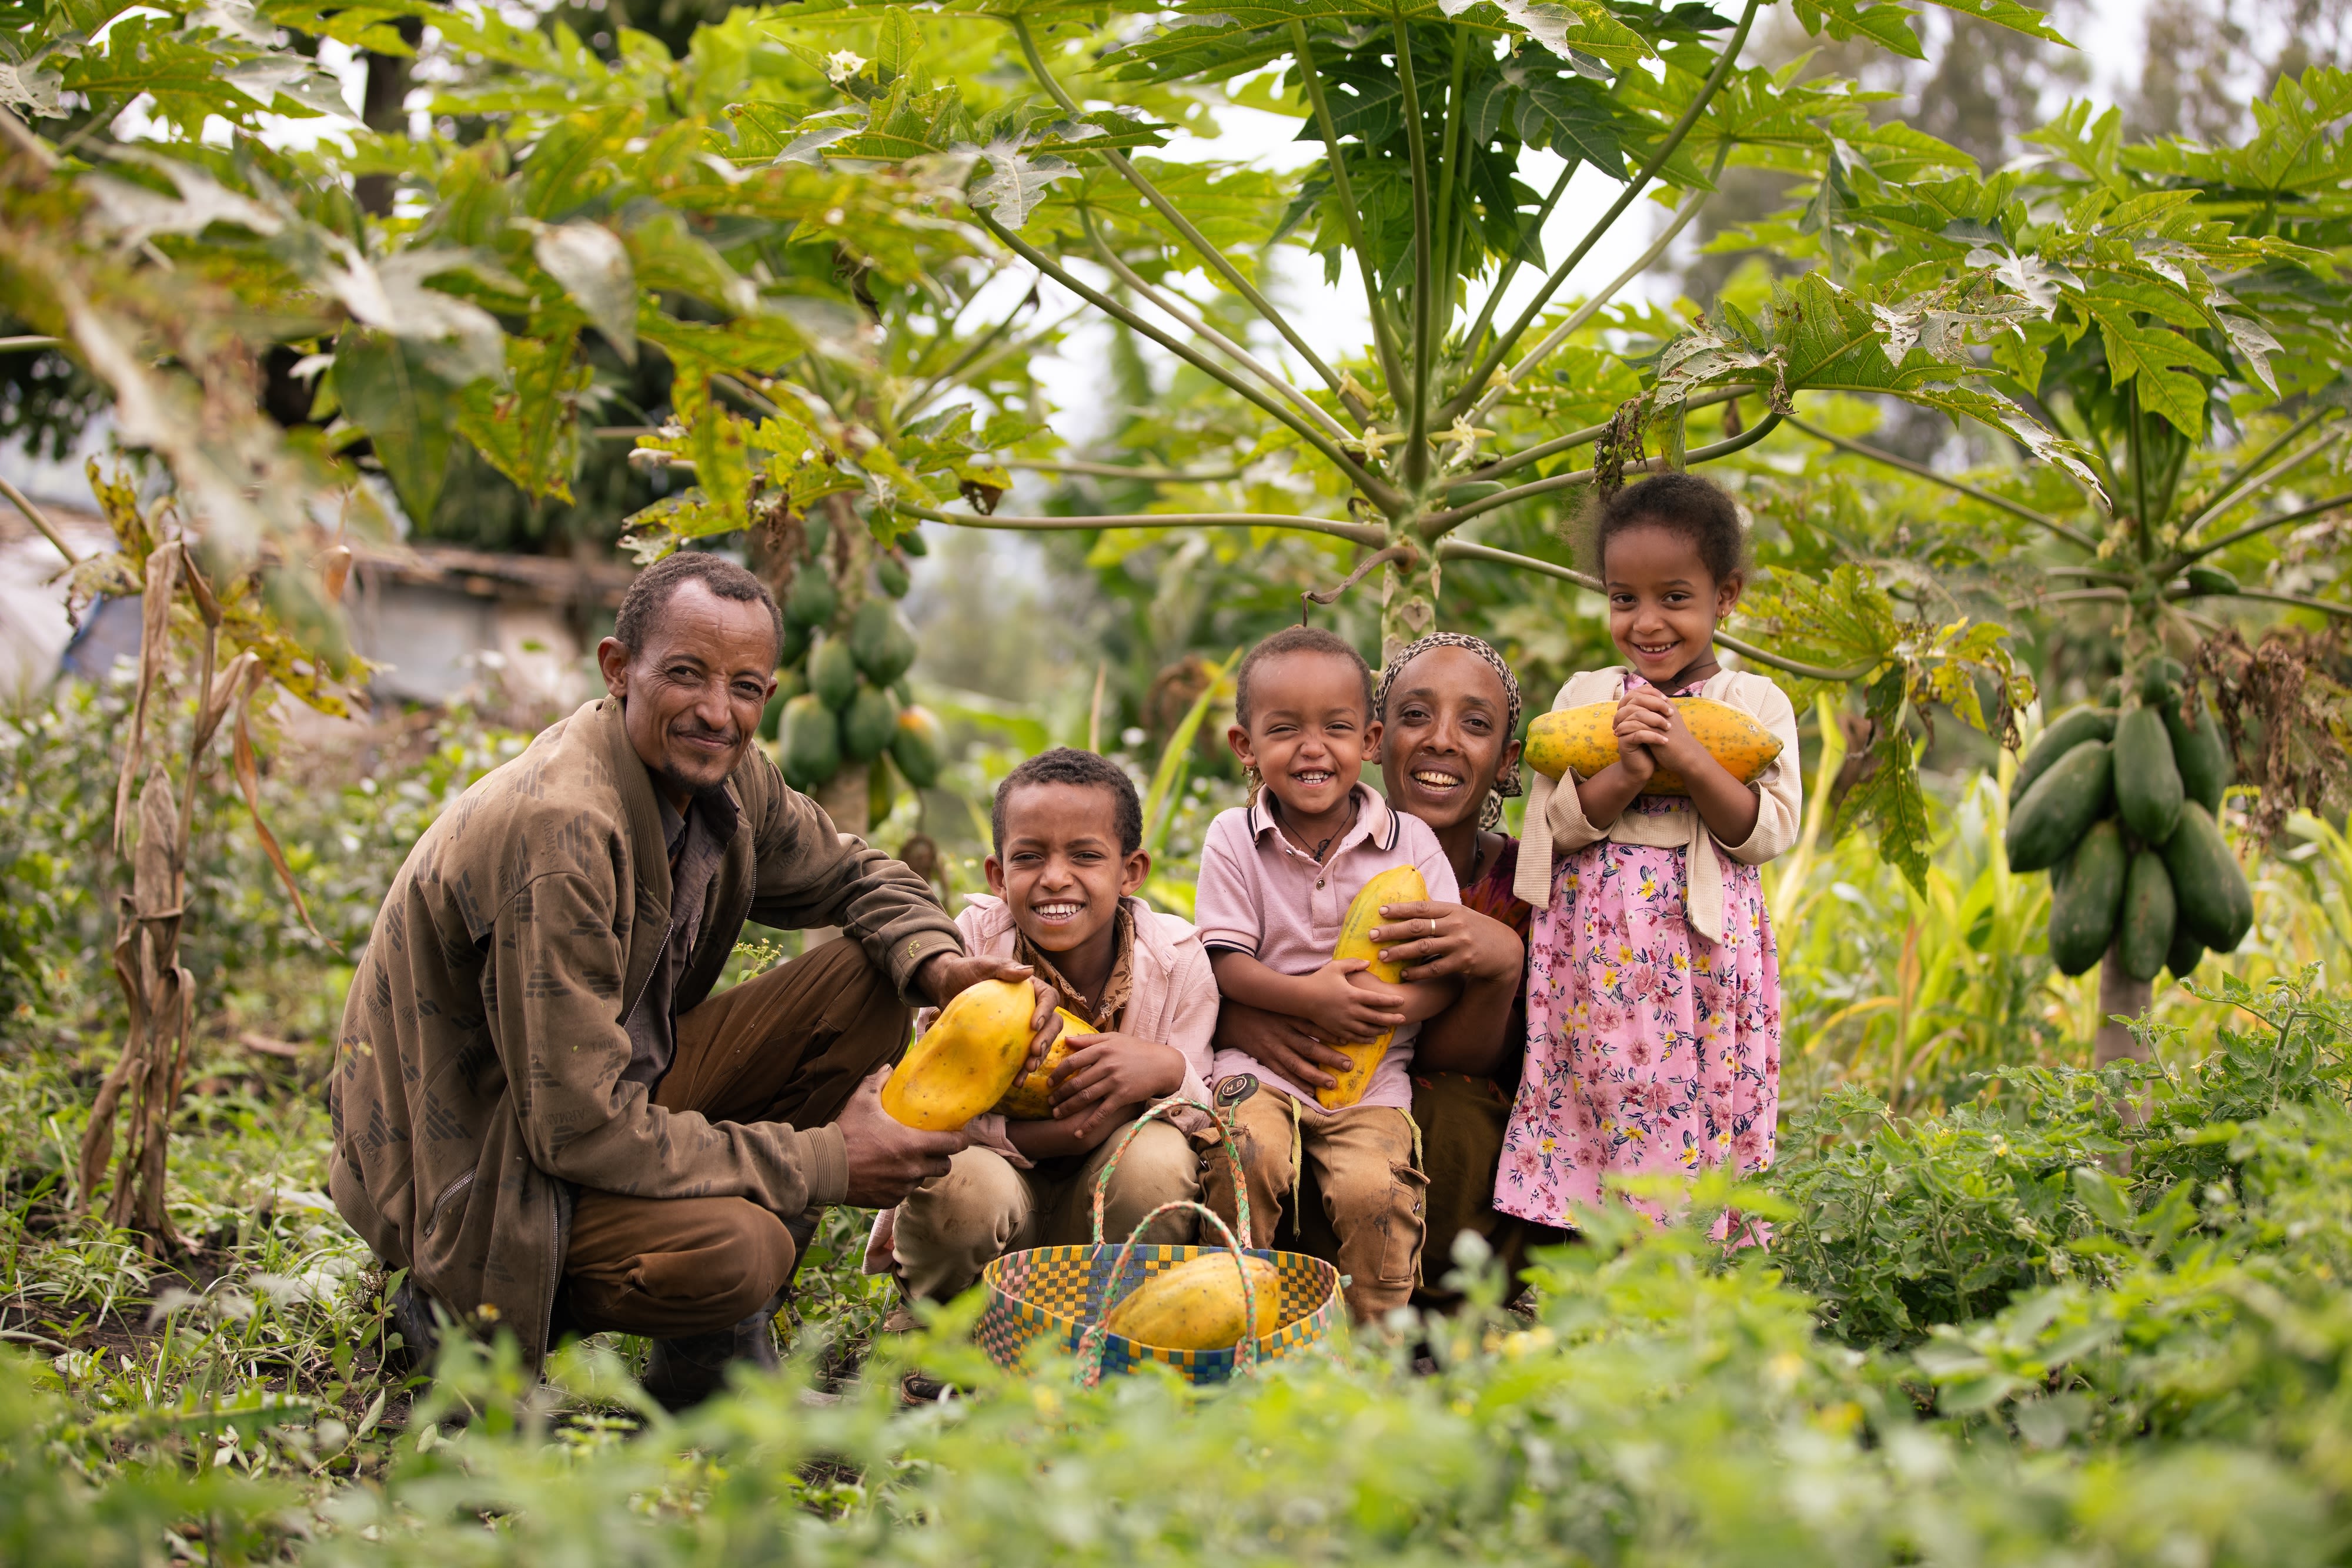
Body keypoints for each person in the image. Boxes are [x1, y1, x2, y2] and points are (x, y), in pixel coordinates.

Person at [328, 552, 1057, 1409]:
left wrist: (942, 965)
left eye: (744, 687)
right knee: (739, 1250)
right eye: (685, 674)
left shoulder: (723, 773)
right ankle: (449, 1317)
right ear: (617, 669)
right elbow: (576, 1131)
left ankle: (711, 1371)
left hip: (592, 1099)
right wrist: (830, 1158)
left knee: (866, 978)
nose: (717, 710)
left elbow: (856, 873)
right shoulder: (563, 831)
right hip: (478, 1172)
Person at [1503, 472, 1800, 1231]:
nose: (1646, 622)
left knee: (1697, 1094)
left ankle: (1694, 1257)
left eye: (1674, 598)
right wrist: (1628, 772)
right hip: (1598, 951)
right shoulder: (1585, 698)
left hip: (1701, 949)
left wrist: (1690, 758)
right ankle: (1604, 1254)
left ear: (1724, 596)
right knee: (1606, 1093)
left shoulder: (1755, 705)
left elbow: (1768, 832)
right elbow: (1550, 829)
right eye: (1623, 598)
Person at [1218, 633, 1549, 1307]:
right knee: (1247, 1134)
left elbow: (1499, 1060)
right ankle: (1250, 1300)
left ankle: (1408, 1314)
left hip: (1437, 1174)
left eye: (1474, 724)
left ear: (1506, 759)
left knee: (1443, 1116)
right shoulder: (1268, 841)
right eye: (1416, 715)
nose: (1441, 740)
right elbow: (1215, 961)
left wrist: (1498, 969)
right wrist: (1249, 1018)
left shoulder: (1534, 886)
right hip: (1292, 1120)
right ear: (1380, 737)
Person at [877, 748, 1216, 1303]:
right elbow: (927, 1105)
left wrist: (1167, 1068)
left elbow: (1208, 1117)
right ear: (997, 875)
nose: (1056, 878)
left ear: (1131, 871)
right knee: (957, 1186)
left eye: (1085, 855)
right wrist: (1035, 1138)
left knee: (1158, 1162)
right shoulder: (969, 948)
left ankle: (1109, 1321)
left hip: (1107, 1219)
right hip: (999, 1209)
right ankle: (942, 1327)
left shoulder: (1178, 959)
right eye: (1029, 857)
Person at [1192, 625, 1459, 1322]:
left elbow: (1445, 974)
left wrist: (1391, 1009)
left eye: (1336, 728)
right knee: (1243, 1154)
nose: (1312, 748)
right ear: (1245, 746)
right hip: (1259, 1066)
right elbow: (1225, 963)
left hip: (1373, 1081)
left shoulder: (1411, 843)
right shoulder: (1232, 838)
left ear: (1369, 741)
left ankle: (1376, 1347)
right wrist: (1309, 998)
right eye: (1284, 730)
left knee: (1381, 1195)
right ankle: (1225, 1322)